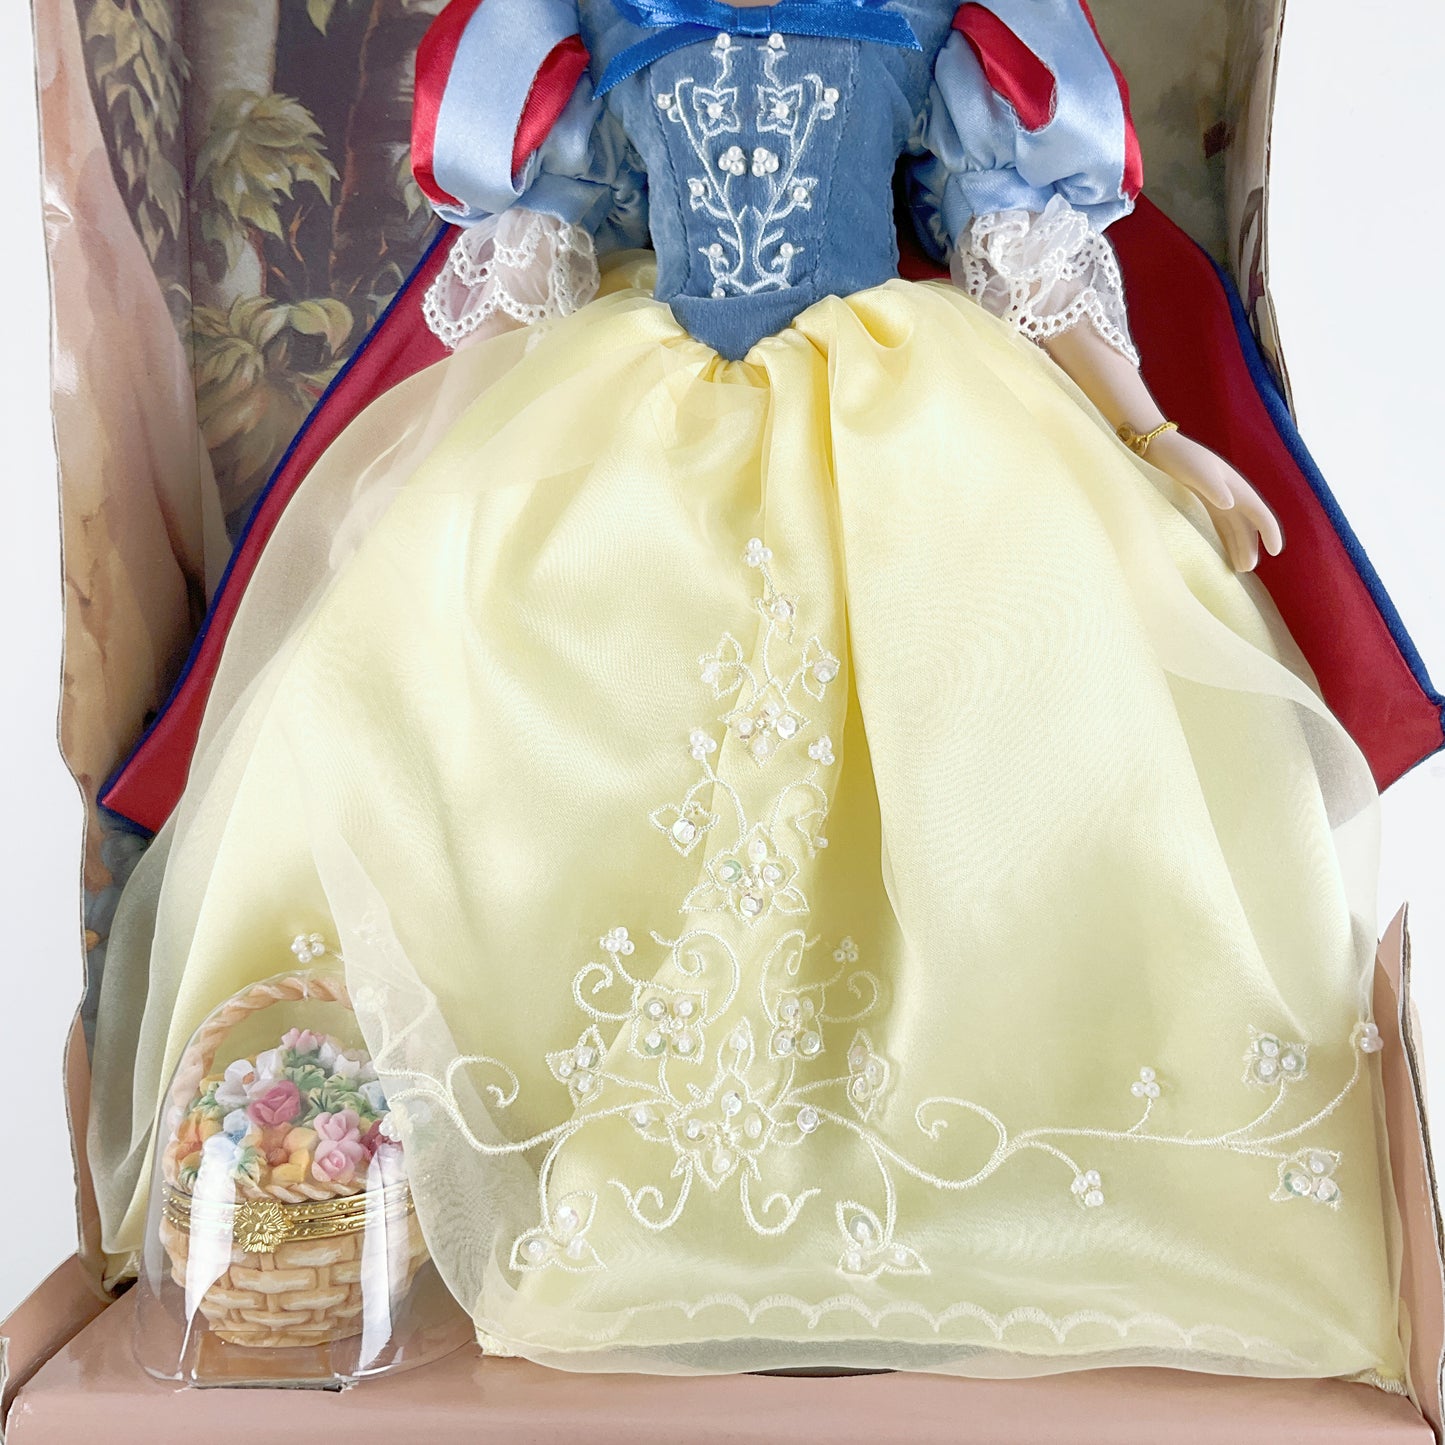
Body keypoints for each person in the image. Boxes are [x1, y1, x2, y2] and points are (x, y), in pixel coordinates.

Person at [91, 0, 1404, 1383]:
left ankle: (961, 1134)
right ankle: (395, 1162)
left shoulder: (918, 18)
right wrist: (426, 487)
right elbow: (527, 276)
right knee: (485, 681)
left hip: (903, 414)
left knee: (1007, 685)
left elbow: (1014, 237)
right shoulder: (604, 20)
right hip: (641, 411)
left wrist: (1150, 434)